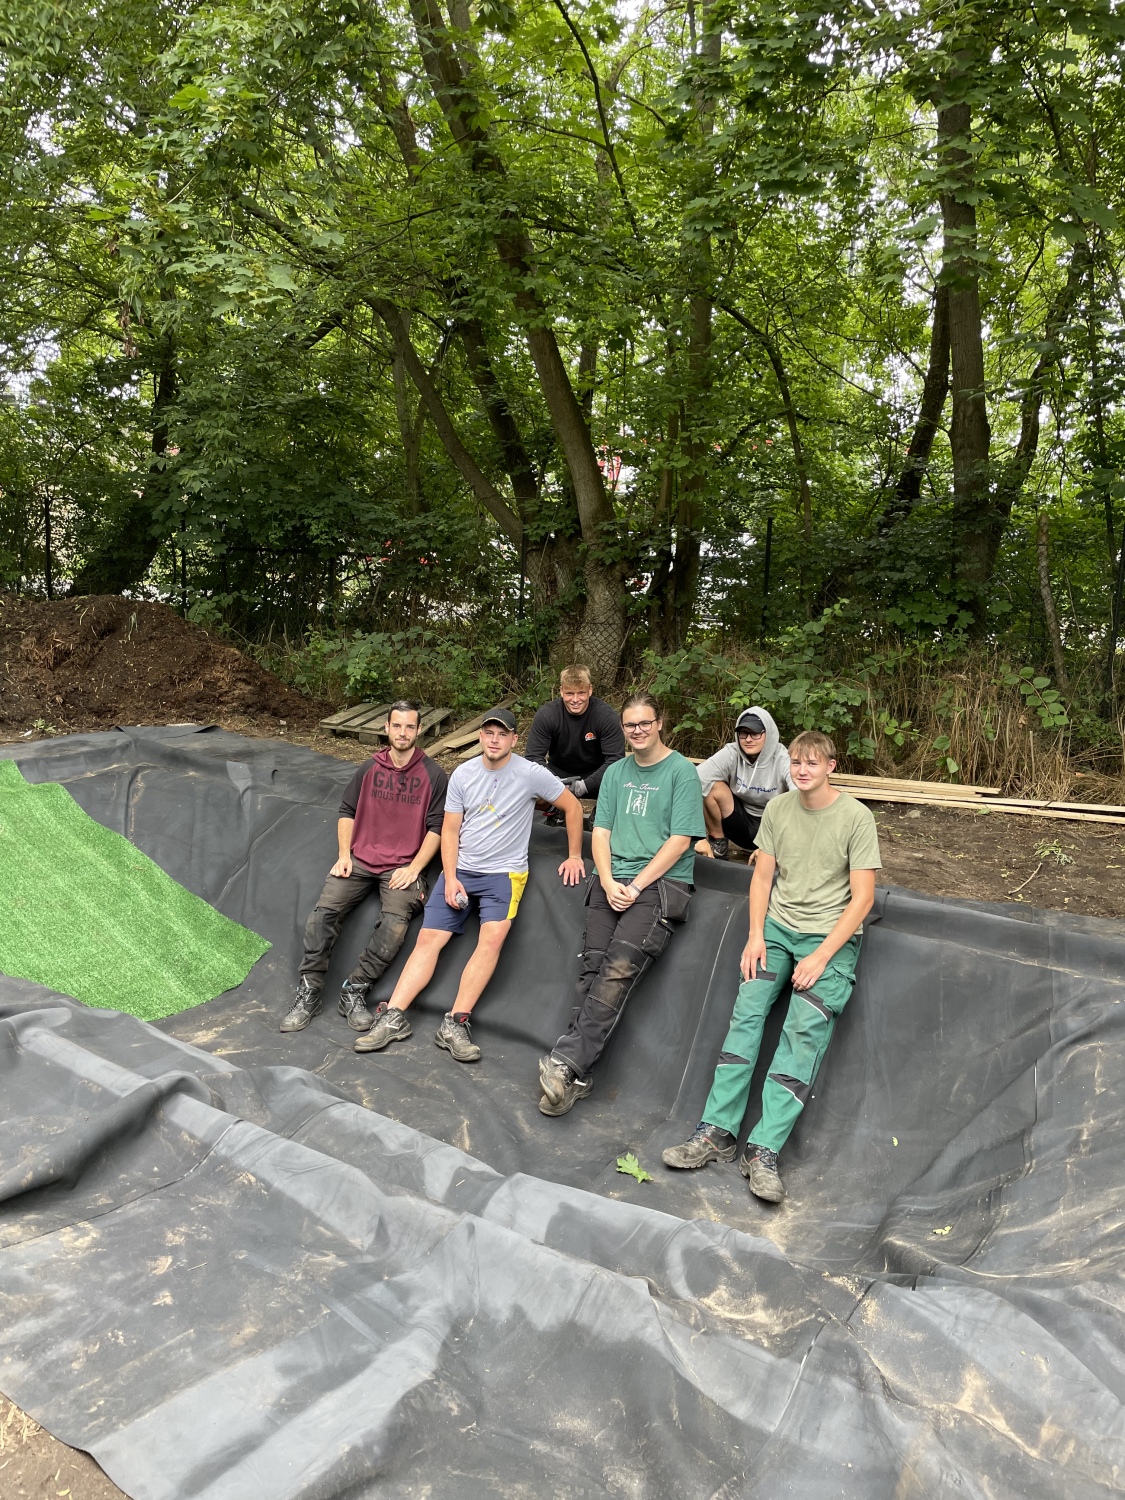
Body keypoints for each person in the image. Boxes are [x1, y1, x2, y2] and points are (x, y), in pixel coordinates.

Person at [663, 730, 881, 1202]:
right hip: (778, 931)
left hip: (829, 940)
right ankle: (716, 1132)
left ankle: (763, 1150)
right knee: (747, 1014)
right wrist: (756, 935)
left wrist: (822, 956)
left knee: (802, 1035)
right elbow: (762, 876)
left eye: (812, 763)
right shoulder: (780, 810)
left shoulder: (856, 818)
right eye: (797, 762)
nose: (802, 770)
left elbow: (863, 897)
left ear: (831, 766)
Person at [356, 706, 585, 1061]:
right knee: (429, 938)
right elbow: (449, 829)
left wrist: (573, 855)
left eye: (502, 734)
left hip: (504, 874)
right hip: (461, 869)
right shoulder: (463, 774)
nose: (494, 740)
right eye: (488, 733)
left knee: (492, 937)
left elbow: (572, 807)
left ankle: (455, 1022)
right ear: (480, 736)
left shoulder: (531, 774)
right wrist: (449, 877)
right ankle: (394, 1016)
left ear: (513, 738)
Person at [537, 691, 707, 1117]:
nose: (637, 731)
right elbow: (603, 831)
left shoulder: (682, 772)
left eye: (644, 723)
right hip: (611, 880)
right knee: (592, 967)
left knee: (617, 968)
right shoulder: (615, 773)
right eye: (630, 725)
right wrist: (610, 880)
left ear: (659, 723)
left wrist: (635, 886)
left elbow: (681, 840)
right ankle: (573, 1075)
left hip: (659, 884)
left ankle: (565, 1062)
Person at [280, 700, 447, 1035]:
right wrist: (344, 854)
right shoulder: (369, 768)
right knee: (321, 916)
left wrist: (414, 868)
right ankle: (310, 991)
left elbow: (438, 827)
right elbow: (346, 809)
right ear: (386, 728)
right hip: (360, 859)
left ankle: (354, 990)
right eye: (396, 726)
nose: (402, 733)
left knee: (395, 925)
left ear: (419, 730)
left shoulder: (433, 775)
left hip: (401, 866)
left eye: (409, 727)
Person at [695, 706, 791, 860]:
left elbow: (800, 794)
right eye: (743, 733)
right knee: (712, 787)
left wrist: (771, 845)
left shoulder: (783, 758)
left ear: (768, 733)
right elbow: (694, 780)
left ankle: (772, 851)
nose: (748, 739)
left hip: (773, 828)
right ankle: (718, 842)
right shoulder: (732, 753)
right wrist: (695, 834)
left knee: (792, 802)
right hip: (740, 823)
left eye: (755, 733)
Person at [524, 665, 626, 806]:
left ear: (590, 690)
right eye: (570, 693)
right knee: (526, 782)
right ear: (561, 691)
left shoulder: (606, 717)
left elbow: (615, 760)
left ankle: (602, 822)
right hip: (557, 775)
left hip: (597, 777)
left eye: (581, 693)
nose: (575, 699)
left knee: (623, 783)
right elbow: (533, 757)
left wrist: (583, 786)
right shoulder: (547, 715)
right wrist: (556, 783)